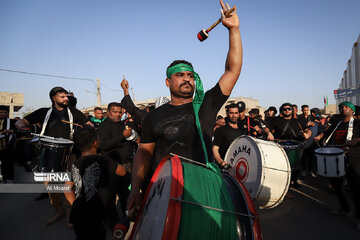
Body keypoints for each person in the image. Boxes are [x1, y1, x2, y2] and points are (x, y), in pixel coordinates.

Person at [127, 0, 243, 214]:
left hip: (204, 190)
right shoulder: (155, 116)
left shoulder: (207, 104)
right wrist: (135, 188)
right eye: (180, 75)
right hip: (164, 191)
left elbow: (232, 70)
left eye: (190, 75)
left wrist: (234, 30)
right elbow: (143, 153)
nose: (187, 79)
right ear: (168, 82)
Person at [15, 86, 92, 226]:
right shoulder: (44, 112)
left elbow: (89, 124)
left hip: (70, 152)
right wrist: (22, 128)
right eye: (62, 96)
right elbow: (21, 122)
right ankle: (58, 211)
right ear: (53, 98)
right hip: (47, 153)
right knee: (51, 187)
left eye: (67, 96)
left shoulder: (74, 112)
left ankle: (71, 214)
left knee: (68, 186)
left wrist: (87, 127)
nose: (66, 98)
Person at [64, 127, 128, 240]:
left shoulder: (74, 163)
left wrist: (75, 204)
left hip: (80, 215)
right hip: (102, 212)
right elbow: (122, 172)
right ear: (96, 142)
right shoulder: (103, 159)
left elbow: (66, 188)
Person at [314, 101, 360, 230]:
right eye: (341, 107)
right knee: (336, 185)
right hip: (335, 157)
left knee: (356, 189)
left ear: (352, 110)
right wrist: (320, 137)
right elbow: (327, 134)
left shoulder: (357, 123)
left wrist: (358, 140)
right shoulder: (338, 123)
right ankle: (345, 209)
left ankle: (359, 218)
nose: (343, 108)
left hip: (353, 158)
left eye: (346, 107)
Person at [270, 102, 311, 187]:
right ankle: (283, 183)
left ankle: (294, 181)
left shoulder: (298, 121)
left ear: (292, 110)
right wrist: (268, 133)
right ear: (281, 111)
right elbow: (268, 128)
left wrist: (307, 134)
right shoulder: (276, 121)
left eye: (289, 109)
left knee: (296, 165)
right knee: (282, 166)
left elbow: (308, 128)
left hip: (296, 146)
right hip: (280, 146)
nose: (287, 110)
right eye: (285, 109)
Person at [212, 103, 243, 168]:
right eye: (231, 113)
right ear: (227, 114)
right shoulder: (221, 130)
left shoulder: (243, 130)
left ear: (238, 114)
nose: (234, 115)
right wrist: (221, 162)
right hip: (224, 168)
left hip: (238, 168)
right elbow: (215, 149)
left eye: (236, 113)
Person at [0, 105, 17, 183]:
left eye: (5, 112)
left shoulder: (12, 121)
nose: (3, 114)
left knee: (8, 163)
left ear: (7, 113)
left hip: (7, 146)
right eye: (1, 112)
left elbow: (19, 131)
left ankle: (9, 178)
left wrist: (10, 131)